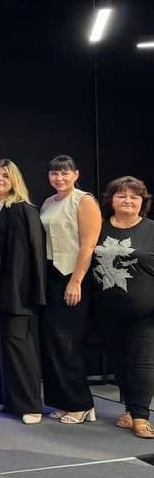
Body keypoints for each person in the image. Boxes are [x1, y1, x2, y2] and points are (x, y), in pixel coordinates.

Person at [0, 159, 46, 424]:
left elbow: (35, 255)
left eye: (5, 175)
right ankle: (1, 396)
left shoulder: (24, 210)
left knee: (17, 347)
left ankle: (29, 404)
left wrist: (34, 293)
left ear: (14, 181)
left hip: (16, 292)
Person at [38, 155, 101, 425]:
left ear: (76, 174)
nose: (59, 178)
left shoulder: (84, 200)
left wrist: (76, 281)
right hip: (50, 276)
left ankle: (81, 404)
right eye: (54, 173)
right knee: (52, 341)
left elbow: (88, 245)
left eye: (65, 173)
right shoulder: (48, 202)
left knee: (68, 342)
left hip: (73, 276)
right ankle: (63, 401)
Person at [92, 176, 154, 439]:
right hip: (107, 310)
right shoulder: (98, 227)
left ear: (142, 202)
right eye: (122, 195)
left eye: (134, 197)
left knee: (142, 362)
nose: (128, 200)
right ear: (111, 200)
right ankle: (129, 410)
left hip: (146, 312)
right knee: (120, 362)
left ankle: (141, 417)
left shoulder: (151, 229)